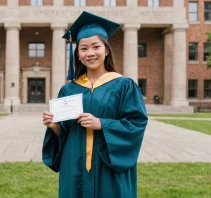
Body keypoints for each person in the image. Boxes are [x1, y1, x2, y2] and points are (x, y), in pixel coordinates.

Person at [42, 11, 148, 198]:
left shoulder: (124, 85)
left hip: (108, 165)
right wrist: (54, 126)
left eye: (95, 47)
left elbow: (136, 124)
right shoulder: (69, 90)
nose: (90, 53)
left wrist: (102, 124)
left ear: (106, 50)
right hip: (74, 164)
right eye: (83, 48)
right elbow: (64, 133)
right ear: (78, 54)